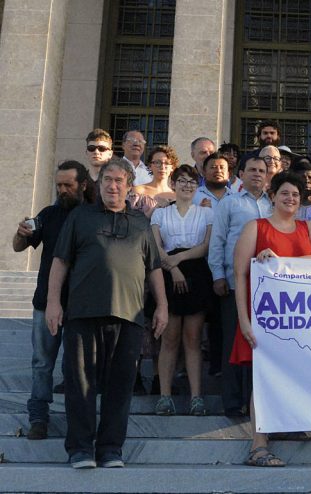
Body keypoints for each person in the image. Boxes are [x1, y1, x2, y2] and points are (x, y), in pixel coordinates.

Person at [45, 159, 168, 469]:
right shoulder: (80, 216)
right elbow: (60, 262)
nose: (113, 186)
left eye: (119, 181)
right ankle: (81, 450)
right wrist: (53, 303)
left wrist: (163, 306)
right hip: (83, 313)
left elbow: (153, 268)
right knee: (80, 384)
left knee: (120, 386)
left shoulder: (140, 222)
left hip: (129, 316)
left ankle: (111, 449)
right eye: (107, 180)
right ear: (98, 185)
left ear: (129, 186)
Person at [231, 172, 311, 466]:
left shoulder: (309, 227)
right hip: (263, 320)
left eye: (296, 195)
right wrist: (244, 321)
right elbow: (240, 274)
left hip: (300, 320)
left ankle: (287, 427)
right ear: (272, 196)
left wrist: (280, 262)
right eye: (285, 193)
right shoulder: (255, 227)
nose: (291, 199)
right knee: (262, 380)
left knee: (296, 375)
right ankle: (258, 445)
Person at [12, 161, 93, 441]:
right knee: (42, 362)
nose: (62, 190)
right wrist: (20, 233)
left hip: (81, 303)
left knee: (76, 365)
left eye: (68, 185)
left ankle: (77, 419)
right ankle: (38, 417)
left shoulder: (92, 215)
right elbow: (20, 246)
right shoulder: (49, 214)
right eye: (59, 185)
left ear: (83, 185)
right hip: (45, 302)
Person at [209, 156, 272, 416]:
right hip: (236, 284)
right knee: (233, 344)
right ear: (241, 174)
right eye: (252, 170)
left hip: (268, 290)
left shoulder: (274, 205)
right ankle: (233, 403)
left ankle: (256, 403)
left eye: (262, 171)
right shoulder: (229, 203)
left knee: (261, 346)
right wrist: (217, 275)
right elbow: (218, 240)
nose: (257, 174)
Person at [151, 165, 214, 416]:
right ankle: (165, 396)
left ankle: (196, 397)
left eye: (192, 181)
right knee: (169, 338)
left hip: (197, 272)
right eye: (182, 181)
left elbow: (206, 246)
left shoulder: (206, 213)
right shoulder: (160, 215)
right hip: (167, 274)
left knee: (193, 339)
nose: (187, 185)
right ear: (173, 184)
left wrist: (181, 260)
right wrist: (173, 267)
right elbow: (156, 248)